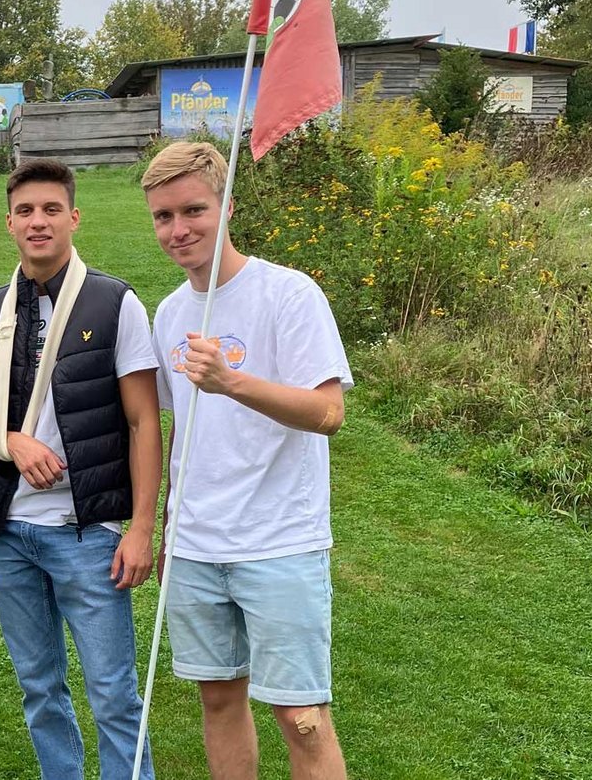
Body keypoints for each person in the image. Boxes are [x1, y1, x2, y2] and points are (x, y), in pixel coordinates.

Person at [142, 140, 352, 780]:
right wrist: (168, 528)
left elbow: (327, 413)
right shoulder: (172, 312)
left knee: (301, 716)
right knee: (219, 699)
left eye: (193, 211)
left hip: (279, 542)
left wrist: (233, 380)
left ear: (226, 207)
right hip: (197, 545)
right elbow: (181, 430)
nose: (179, 230)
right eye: (163, 217)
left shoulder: (289, 295)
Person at [0, 158, 161, 780]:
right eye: (25, 211)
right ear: (9, 223)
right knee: (40, 689)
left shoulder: (114, 300)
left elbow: (143, 423)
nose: (37, 221)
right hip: (12, 535)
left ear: (73, 217)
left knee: (114, 696)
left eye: (50, 209)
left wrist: (141, 527)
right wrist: (13, 442)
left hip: (87, 533)